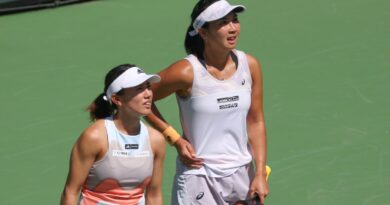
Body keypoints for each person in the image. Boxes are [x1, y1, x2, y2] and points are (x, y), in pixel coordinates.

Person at [144, 0, 269, 204]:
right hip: (199, 176)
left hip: (243, 175)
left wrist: (260, 172)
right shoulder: (185, 72)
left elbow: (256, 121)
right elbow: (139, 98)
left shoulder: (250, 65)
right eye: (223, 23)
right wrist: (175, 139)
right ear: (203, 32)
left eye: (234, 20)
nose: (232, 28)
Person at [60, 64, 165, 205]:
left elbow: (154, 195)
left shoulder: (156, 140)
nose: (148, 94)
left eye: (148, 87)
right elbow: (71, 192)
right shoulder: (95, 137)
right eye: (139, 89)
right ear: (117, 99)